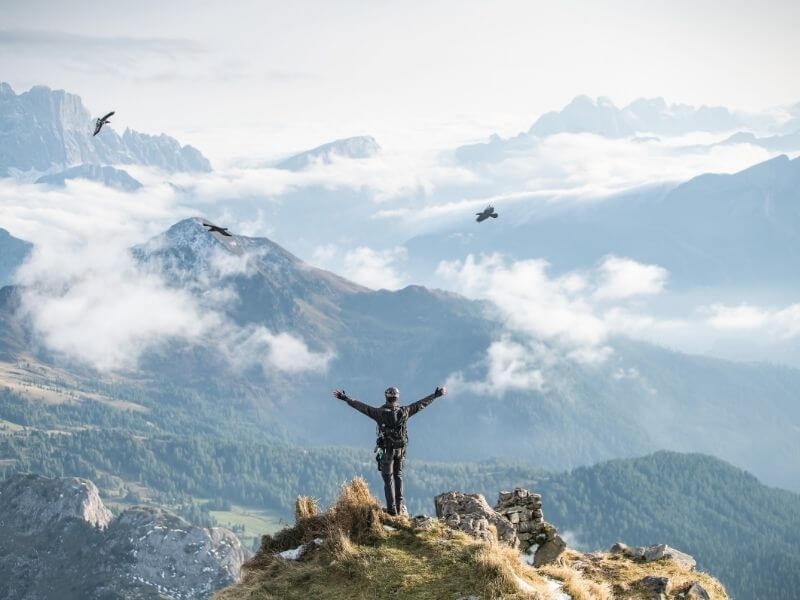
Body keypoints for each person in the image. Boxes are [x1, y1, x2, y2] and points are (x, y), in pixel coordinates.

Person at [333, 385, 446, 516]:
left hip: (387, 451)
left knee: (388, 479)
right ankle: (399, 507)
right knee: (398, 476)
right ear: (397, 397)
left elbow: (361, 407)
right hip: (400, 450)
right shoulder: (405, 411)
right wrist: (436, 395)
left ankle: (392, 510)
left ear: (386, 397)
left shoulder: (379, 413)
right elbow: (421, 404)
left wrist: (345, 398)